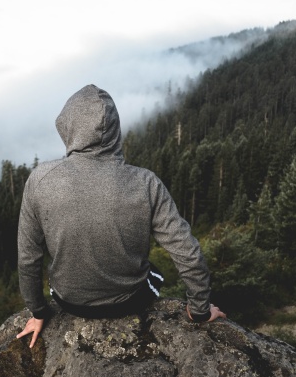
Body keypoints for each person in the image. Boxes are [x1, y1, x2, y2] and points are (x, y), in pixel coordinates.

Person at [16, 84, 225, 348]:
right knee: (154, 274)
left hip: (67, 301)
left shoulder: (39, 180)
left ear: (67, 127)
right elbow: (187, 252)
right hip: (131, 302)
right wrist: (200, 309)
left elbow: (28, 258)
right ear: (115, 129)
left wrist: (37, 312)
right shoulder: (146, 183)